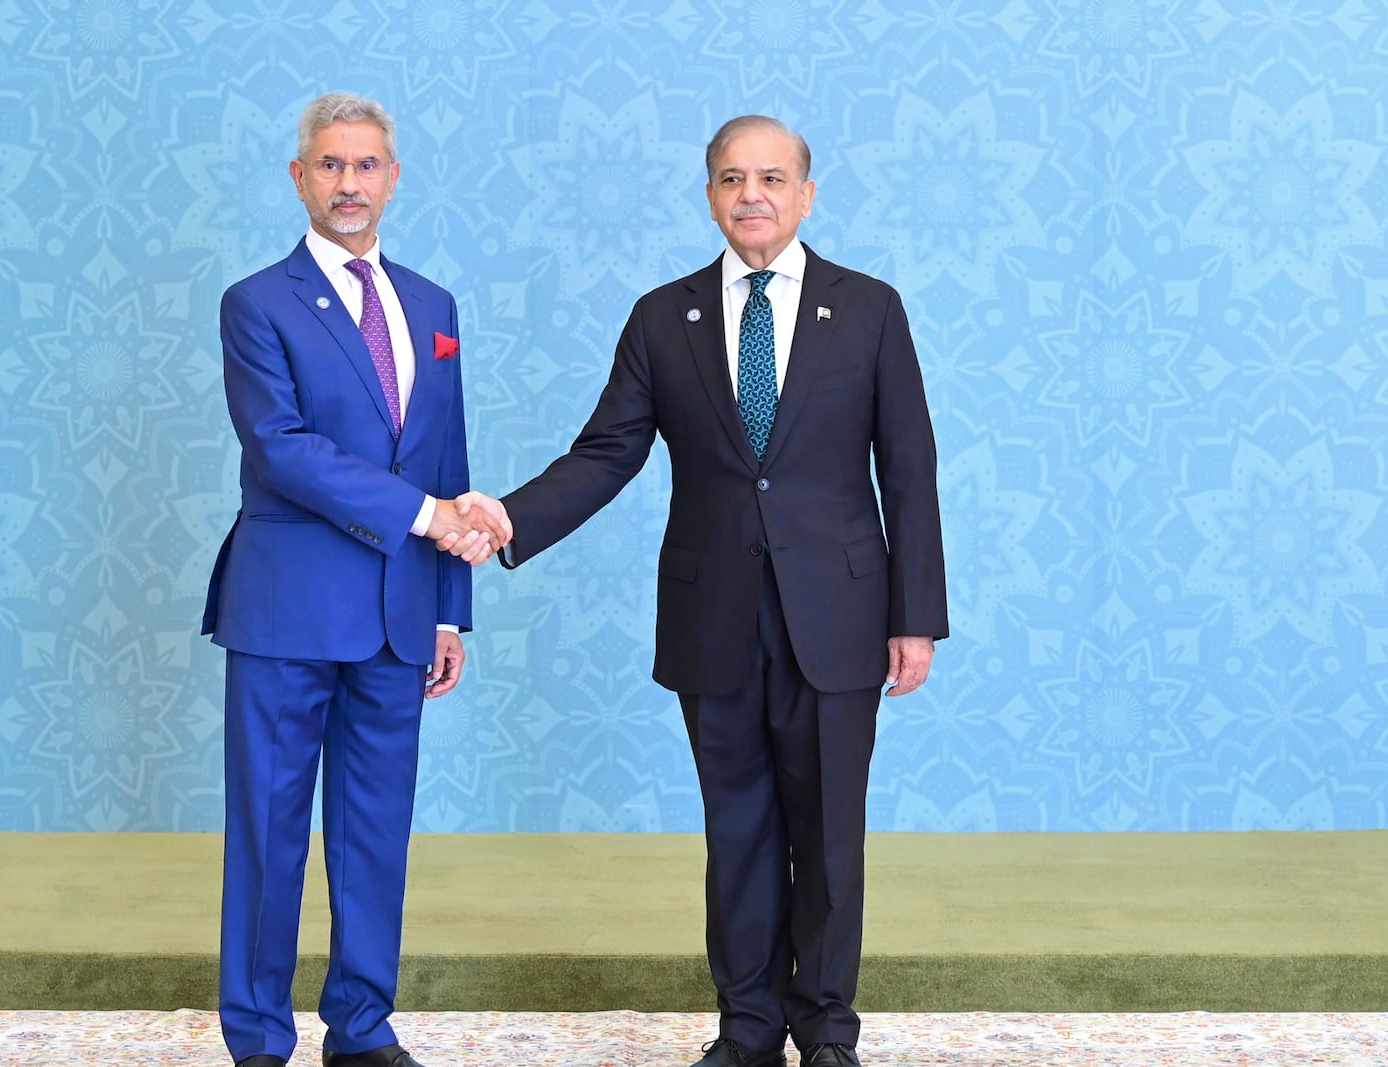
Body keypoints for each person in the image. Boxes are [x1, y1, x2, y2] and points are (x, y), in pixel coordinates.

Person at [456, 115, 948, 1067]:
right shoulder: (662, 316)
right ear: (710, 196)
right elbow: (607, 452)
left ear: (807, 194)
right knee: (739, 830)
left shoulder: (871, 309)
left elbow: (910, 469)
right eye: (731, 178)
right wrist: (511, 517)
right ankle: (749, 1028)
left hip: (841, 616)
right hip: (714, 614)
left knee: (830, 834)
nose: (751, 194)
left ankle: (828, 1030)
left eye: (771, 177)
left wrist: (915, 617)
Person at [201, 91, 508, 1067]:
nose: (347, 183)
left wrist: (452, 609)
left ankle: (363, 1028)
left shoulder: (432, 305)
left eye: (365, 165)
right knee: (269, 833)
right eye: (329, 165)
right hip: (286, 606)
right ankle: (256, 1035)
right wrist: (423, 517)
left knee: (376, 835)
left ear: (392, 178)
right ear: (299, 177)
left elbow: (446, 454)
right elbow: (282, 449)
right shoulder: (257, 302)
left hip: (401, 613)